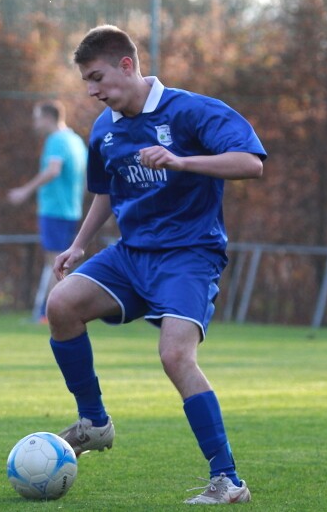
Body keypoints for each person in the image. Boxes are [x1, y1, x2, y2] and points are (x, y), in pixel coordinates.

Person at [46, 25, 265, 505]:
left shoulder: (191, 110)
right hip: (132, 254)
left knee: (175, 357)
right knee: (61, 304)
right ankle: (94, 422)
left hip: (189, 254)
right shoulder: (104, 129)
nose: (92, 91)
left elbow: (251, 163)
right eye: (86, 82)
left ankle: (227, 481)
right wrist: (79, 244)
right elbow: (106, 192)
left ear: (127, 65)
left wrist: (182, 161)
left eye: (97, 78)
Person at [7, 100, 87, 323]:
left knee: (56, 264)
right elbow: (86, 175)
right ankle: (56, 312)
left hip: (54, 210)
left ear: (48, 118)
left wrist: (25, 190)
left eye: (37, 118)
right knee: (60, 263)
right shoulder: (76, 140)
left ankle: (51, 314)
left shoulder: (56, 140)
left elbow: (53, 170)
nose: (35, 123)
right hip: (71, 210)